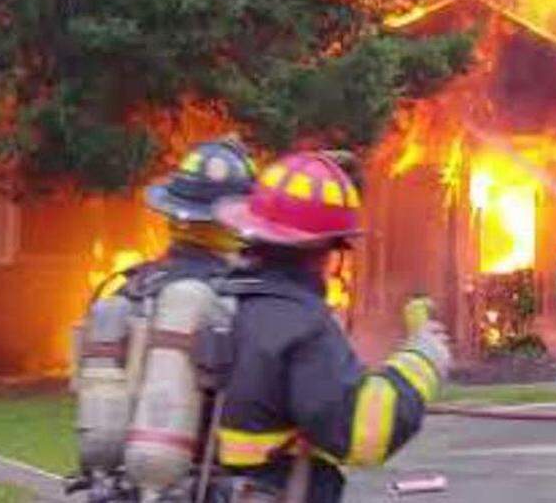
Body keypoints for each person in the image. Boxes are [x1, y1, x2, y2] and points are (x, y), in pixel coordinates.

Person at [208, 152, 451, 503]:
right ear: (325, 251)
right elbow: (364, 432)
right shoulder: (302, 324)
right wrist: (422, 357)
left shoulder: (221, 300)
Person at [70, 138, 259, 499]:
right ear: (236, 221)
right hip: (202, 486)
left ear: (172, 213)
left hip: (119, 488)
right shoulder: (236, 300)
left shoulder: (129, 290)